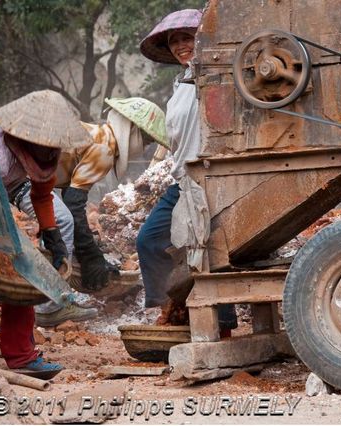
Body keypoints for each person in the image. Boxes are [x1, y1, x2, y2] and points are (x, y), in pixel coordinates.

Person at [0, 90, 90, 378]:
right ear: (20, 134)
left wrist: (52, 236)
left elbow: (42, 194)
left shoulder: (46, 153)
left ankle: (20, 355)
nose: (49, 151)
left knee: (22, 273)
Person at [5, 97, 169, 326]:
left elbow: (68, 196)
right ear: (133, 132)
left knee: (59, 227)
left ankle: (46, 296)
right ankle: (49, 305)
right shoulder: (104, 149)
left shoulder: (98, 136)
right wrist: (91, 256)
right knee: (61, 222)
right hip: (22, 177)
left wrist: (89, 249)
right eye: (147, 140)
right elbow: (74, 203)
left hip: (26, 176)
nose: (145, 146)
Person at [136, 9, 237, 333]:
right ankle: (172, 305)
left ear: (203, 39)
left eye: (187, 38)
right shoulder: (179, 86)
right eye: (174, 41)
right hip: (183, 179)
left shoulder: (217, 75)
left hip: (214, 176)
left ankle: (221, 322)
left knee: (212, 248)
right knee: (150, 239)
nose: (181, 45)